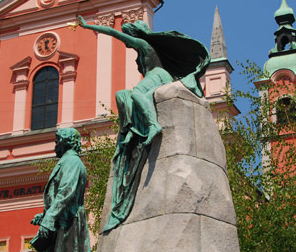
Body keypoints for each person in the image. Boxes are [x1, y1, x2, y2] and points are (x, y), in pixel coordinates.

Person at [77, 15, 210, 231]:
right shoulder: (146, 48)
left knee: (138, 93)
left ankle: (152, 125)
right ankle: (135, 126)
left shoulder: (143, 44)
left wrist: (88, 26)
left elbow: (114, 33)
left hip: (160, 76)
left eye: (129, 34)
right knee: (126, 95)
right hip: (161, 76)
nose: (128, 39)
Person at [31, 128, 93, 252]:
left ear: (66, 142)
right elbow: (61, 194)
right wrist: (45, 214)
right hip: (62, 222)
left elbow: (66, 192)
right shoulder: (66, 162)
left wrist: (49, 218)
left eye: (57, 141)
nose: (55, 145)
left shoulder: (72, 162)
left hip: (68, 224)